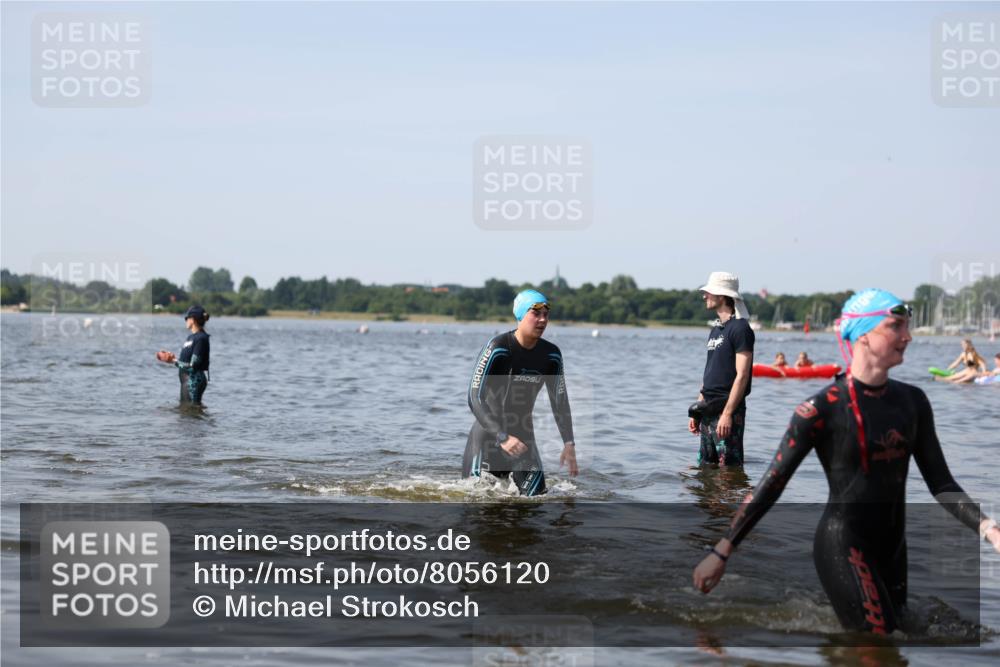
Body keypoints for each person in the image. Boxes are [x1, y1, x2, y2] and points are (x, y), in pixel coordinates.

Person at [692, 288, 1000, 635]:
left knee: (901, 635)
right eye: (896, 326)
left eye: (907, 326)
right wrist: (722, 551)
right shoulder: (820, 409)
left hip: (894, 548)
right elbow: (772, 484)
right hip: (843, 543)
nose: (908, 336)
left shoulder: (913, 402)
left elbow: (942, 484)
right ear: (864, 335)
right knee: (876, 644)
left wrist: (991, 531)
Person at [461, 289, 578, 496]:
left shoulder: (551, 355)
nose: (542, 320)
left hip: (524, 438)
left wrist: (569, 443)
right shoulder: (498, 348)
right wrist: (502, 437)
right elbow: (474, 397)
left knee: (537, 500)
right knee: (479, 508)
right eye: (536, 313)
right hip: (488, 437)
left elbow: (559, 401)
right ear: (521, 316)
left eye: (546, 314)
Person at [687, 272, 755, 467]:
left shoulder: (741, 329)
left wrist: (727, 414)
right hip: (707, 409)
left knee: (729, 472)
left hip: (728, 410)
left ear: (722, 296)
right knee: (705, 469)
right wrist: (697, 409)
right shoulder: (715, 330)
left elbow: (742, 375)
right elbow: (709, 373)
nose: (704, 296)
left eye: (709, 292)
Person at [156, 306, 211, 404]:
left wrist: (173, 361)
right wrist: (172, 357)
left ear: (192, 319)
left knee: (190, 412)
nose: (185, 321)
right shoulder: (191, 337)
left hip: (193, 381)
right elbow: (186, 360)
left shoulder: (201, 338)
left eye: (186, 318)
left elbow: (193, 366)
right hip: (186, 380)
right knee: (186, 411)